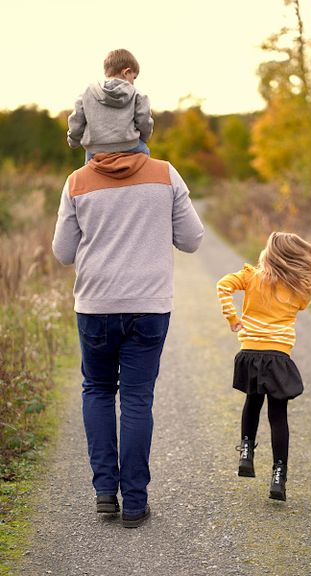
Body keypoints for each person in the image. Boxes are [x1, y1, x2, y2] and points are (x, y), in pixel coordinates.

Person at [52, 151, 203, 527]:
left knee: (99, 390)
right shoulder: (166, 175)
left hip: (95, 306)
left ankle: (105, 493)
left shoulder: (77, 181)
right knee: (137, 399)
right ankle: (135, 503)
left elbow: (62, 253)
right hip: (149, 306)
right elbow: (191, 240)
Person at [216, 232, 311, 501]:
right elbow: (300, 305)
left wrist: (232, 317)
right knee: (278, 416)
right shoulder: (300, 289)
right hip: (278, 357)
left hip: (250, 352)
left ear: (269, 254)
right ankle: (278, 476)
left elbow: (223, 286)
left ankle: (246, 452)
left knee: (252, 402)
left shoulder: (251, 276)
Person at [67, 48, 153, 162]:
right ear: (126, 72)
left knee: (89, 171)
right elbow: (144, 123)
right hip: (130, 146)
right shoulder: (137, 95)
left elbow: (76, 122)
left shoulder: (87, 93)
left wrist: (73, 141)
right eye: (134, 77)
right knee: (146, 155)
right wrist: (145, 138)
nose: (133, 82)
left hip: (95, 150)